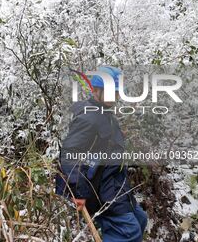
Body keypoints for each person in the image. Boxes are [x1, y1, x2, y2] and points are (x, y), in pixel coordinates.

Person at [56, 66, 147, 242]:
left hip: (116, 183)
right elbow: (69, 153)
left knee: (140, 219)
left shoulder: (105, 114)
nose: (116, 97)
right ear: (97, 90)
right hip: (100, 188)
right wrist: (77, 191)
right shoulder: (89, 117)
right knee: (128, 231)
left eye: (117, 93)